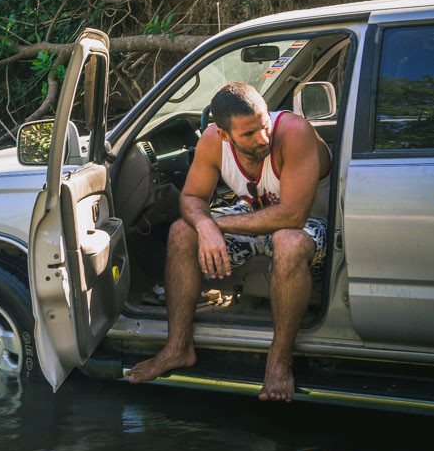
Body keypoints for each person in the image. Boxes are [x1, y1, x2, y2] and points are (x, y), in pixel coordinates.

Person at [127, 81, 330, 401]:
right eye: (249, 134)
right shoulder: (212, 141)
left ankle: (279, 363)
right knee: (183, 231)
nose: (263, 138)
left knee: (287, 241)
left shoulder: (294, 132)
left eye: (264, 126)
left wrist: (216, 223)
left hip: (313, 224)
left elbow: (292, 217)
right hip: (254, 215)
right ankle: (177, 347)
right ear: (223, 135)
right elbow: (192, 196)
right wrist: (205, 226)